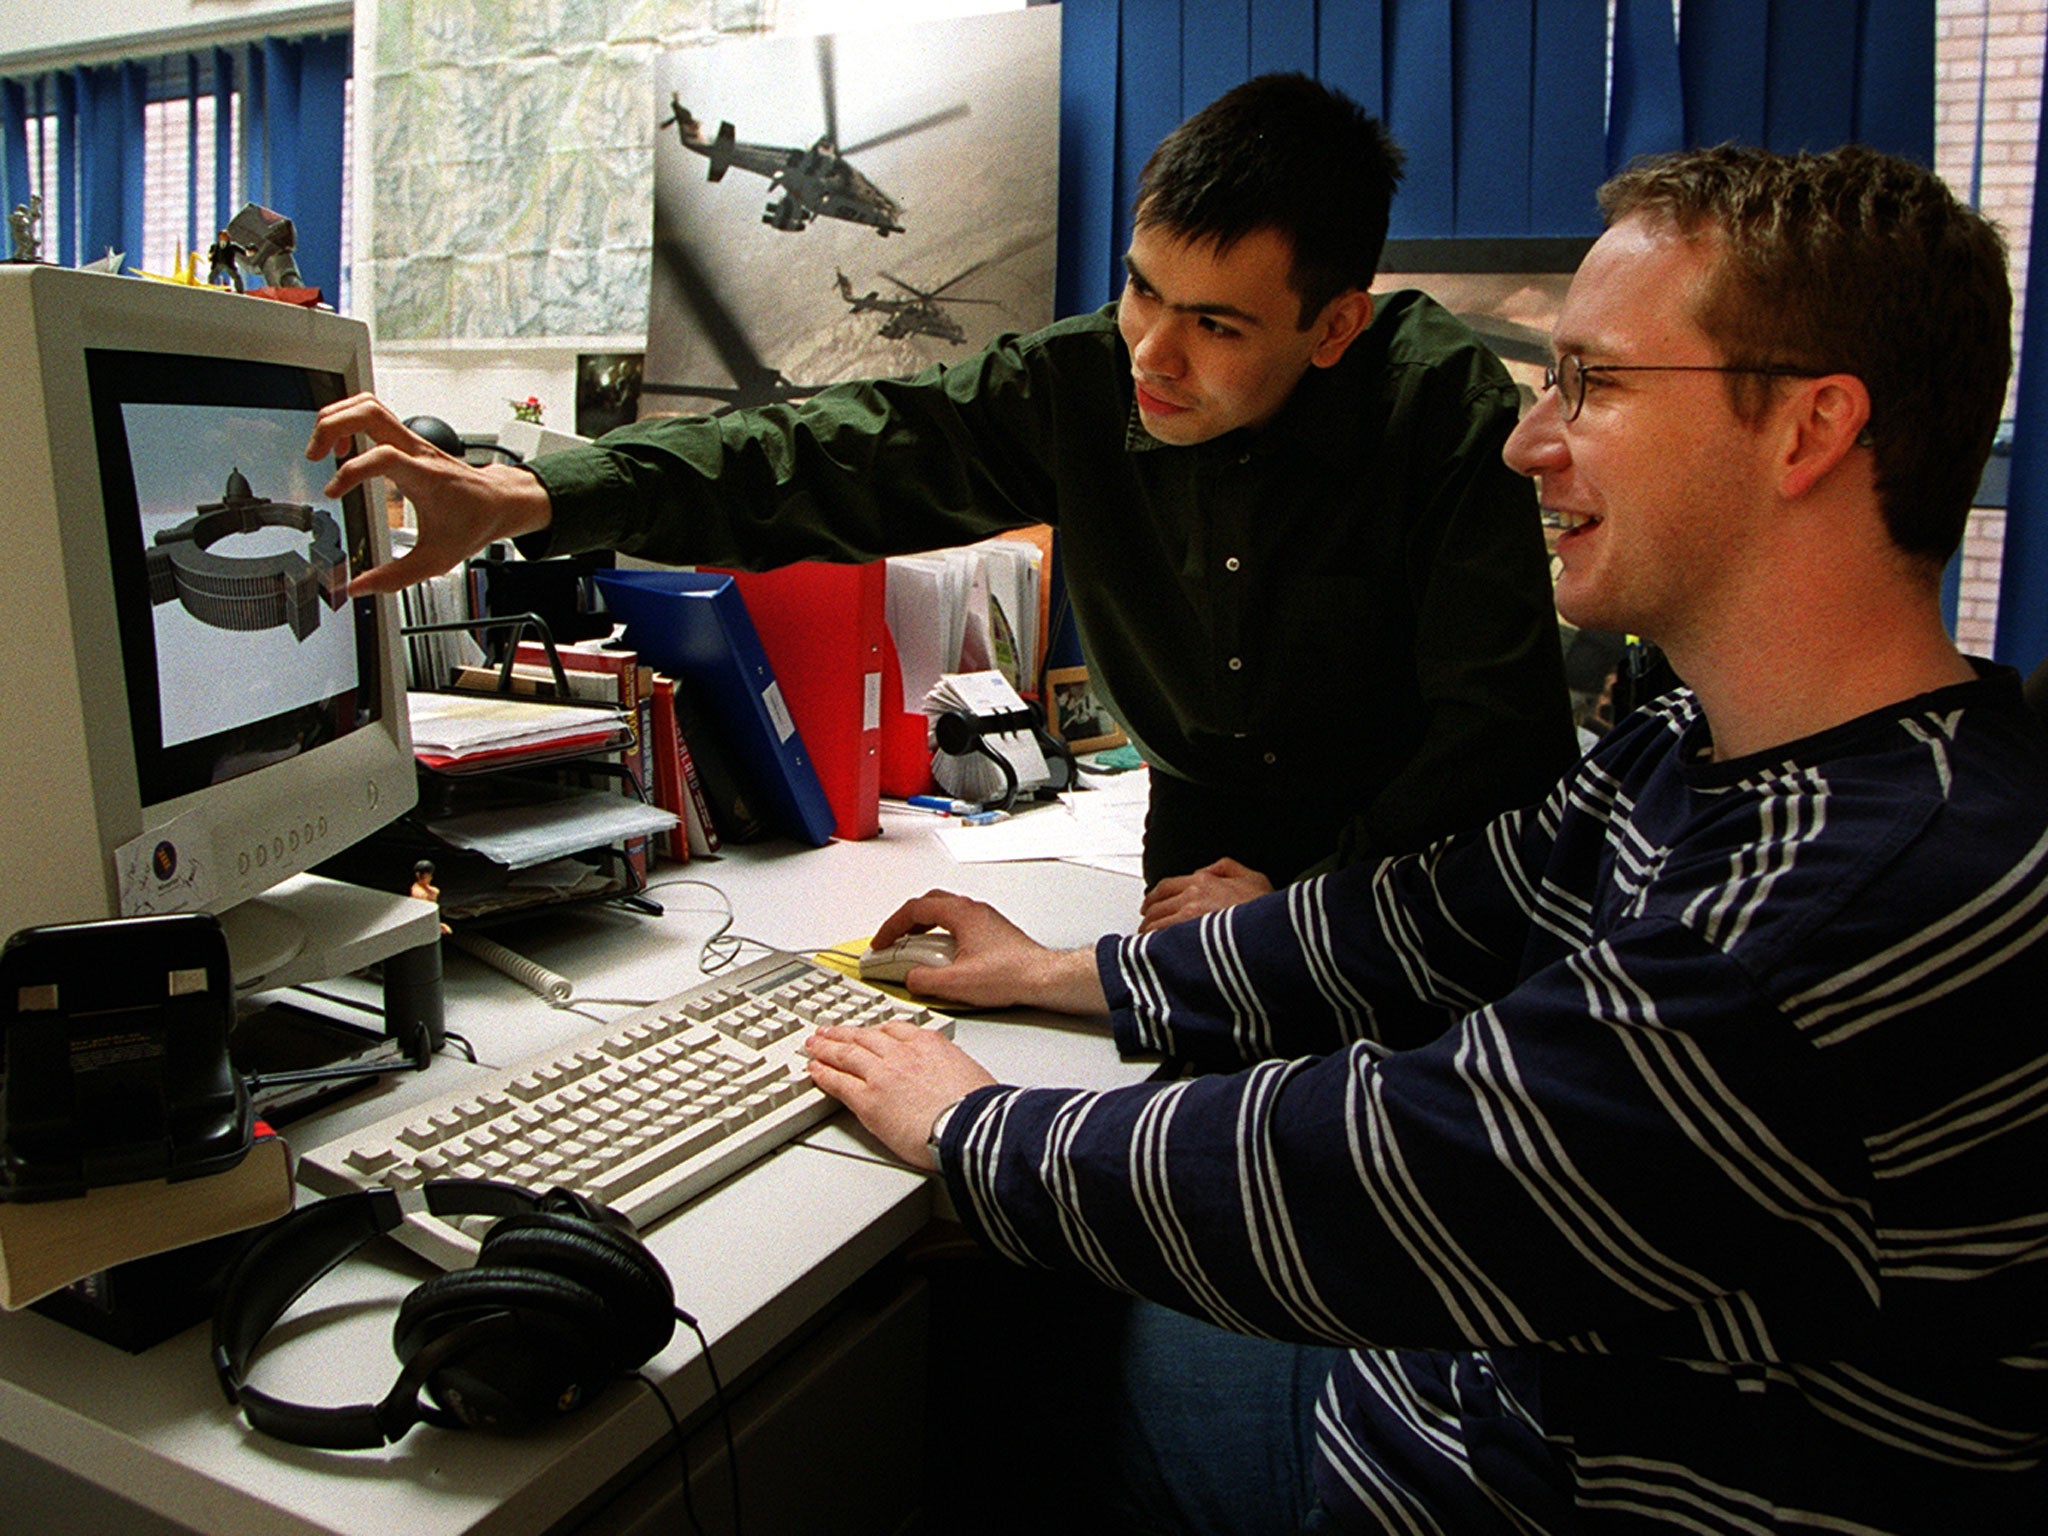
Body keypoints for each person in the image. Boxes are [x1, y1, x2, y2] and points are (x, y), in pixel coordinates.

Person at [799, 142, 2048, 1533]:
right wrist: (1064, 975)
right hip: (1481, 1398)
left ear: (1810, 429)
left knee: (974, 1370)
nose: (1529, 438)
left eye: (1599, 383)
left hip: (1509, 1484)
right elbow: (1438, 911)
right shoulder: (1717, 750)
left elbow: (1381, 1168)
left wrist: (969, 1123)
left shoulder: (1843, 911)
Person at [311, 74, 1575, 932]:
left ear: (1336, 326)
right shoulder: (1078, 383)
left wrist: (1312, 895)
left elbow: (1496, 737)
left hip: (1408, 862)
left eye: (1217, 323)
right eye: (1140, 291)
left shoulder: (1435, 407)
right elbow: (820, 458)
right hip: (1196, 841)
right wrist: (533, 493)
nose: (1152, 355)